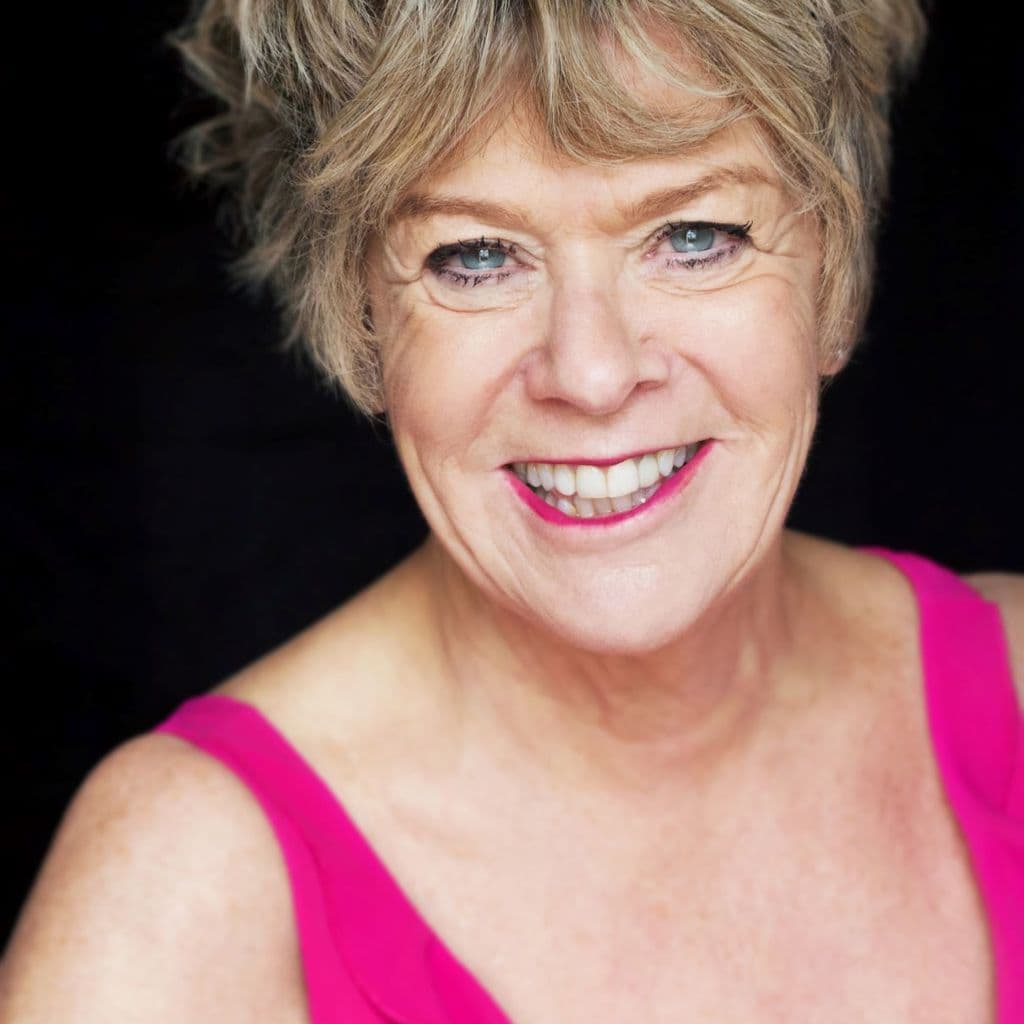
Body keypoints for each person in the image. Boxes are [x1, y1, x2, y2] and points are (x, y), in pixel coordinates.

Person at [2, 1, 1022, 1021]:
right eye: (476, 256)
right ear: (363, 323)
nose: (590, 371)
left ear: (831, 276)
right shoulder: (174, 903)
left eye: (696, 234)